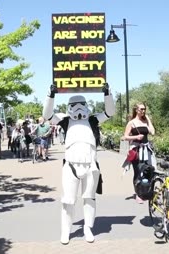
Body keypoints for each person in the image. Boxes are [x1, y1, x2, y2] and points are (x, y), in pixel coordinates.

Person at [43, 83, 115, 244]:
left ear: (87, 106)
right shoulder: (65, 122)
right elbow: (47, 115)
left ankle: (88, 228)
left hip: (91, 165)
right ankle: (66, 231)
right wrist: (51, 95)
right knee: (68, 200)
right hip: (70, 165)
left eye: (82, 104)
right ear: (69, 107)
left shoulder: (93, 120)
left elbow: (110, 112)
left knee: (89, 198)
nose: (78, 108)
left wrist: (107, 94)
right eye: (74, 105)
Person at [123, 103, 155, 204]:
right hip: (136, 150)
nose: (143, 111)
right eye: (141, 109)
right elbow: (125, 137)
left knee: (148, 170)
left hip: (146, 149)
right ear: (136, 110)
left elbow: (153, 132)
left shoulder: (145, 121)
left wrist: (148, 120)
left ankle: (147, 191)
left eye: (144, 109)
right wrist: (136, 137)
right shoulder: (132, 123)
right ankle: (138, 193)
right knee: (137, 172)